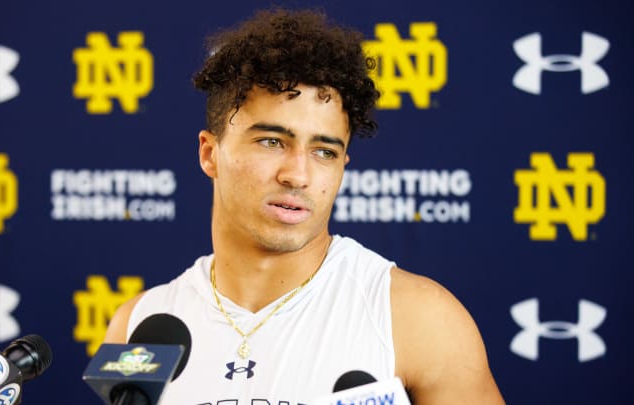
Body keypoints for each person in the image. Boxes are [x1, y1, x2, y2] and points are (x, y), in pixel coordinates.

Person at [105, 8, 505, 404]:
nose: (298, 175)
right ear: (210, 153)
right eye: (272, 141)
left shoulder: (419, 318)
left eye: (324, 151)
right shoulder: (137, 326)